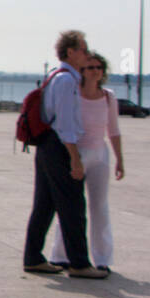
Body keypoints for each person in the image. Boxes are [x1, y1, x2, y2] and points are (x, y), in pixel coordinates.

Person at [37, 45, 118, 277]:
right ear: (82, 69)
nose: (94, 71)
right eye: (89, 67)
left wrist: (120, 160)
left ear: (103, 71)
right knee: (70, 207)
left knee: (99, 207)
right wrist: (73, 158)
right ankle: (61, 256)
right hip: (75, 153)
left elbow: (114, 131)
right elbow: (63, 123)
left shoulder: (109, 97)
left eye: (98, 67)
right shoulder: (72, 90)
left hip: (99, 155)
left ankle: (102, 258)